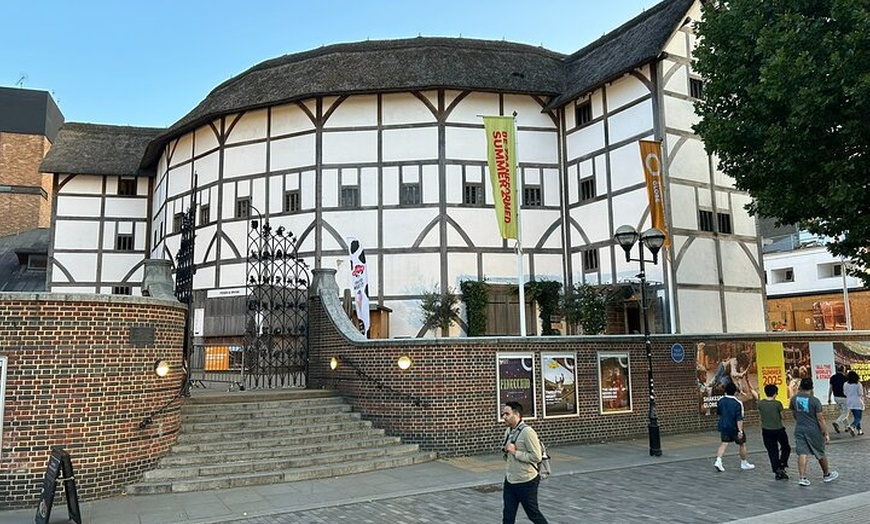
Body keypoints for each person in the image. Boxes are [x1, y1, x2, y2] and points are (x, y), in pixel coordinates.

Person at [501, 401, 549, 524]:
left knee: (533, 514)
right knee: (508, 516)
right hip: (511, 480)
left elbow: (536, 457)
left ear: (516, 414)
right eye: (503, 414)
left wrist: (515, 452)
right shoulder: (508, 431)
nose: (504, 417)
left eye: (507, 414)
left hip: (526, 481)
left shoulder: (528, 432)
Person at [790, 378, 839, 486]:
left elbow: (794, 413)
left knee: (802, 452)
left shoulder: (794, 399)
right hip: (813, 429)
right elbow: (820, 419)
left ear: (800, 387)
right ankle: (826, 474)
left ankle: (802, 477)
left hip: (800, 428)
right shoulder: (815, 401)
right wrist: (826, 433)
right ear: (812, 387)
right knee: (820, 452)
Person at [713, 382, 755, 472]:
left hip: (724, 425)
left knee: (724, 443)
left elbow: (719, 413)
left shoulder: (721, 401)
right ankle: (744, 463)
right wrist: (740, 431)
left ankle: (718, 460)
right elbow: (739, 418)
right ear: (735, 392)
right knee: (742, 443)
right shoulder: (737, 403)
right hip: (734, 427)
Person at [757, 384, 791, 480]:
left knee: (772, 451)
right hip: (778, 429)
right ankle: (782, 464)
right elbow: (783, 417)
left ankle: (777, 470)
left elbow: (760, 416)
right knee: (785, 447)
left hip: (766, 430)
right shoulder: (777, 404)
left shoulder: (760, 403)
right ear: (775, 393)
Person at [828, 366, 850, 433]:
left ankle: (847, 427)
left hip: (836, 397)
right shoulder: (846, 378)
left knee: (843, 412)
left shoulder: (833, 377)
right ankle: (837, 422)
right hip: (844, 397)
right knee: (846, 413)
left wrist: (829, 398)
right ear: (843, 370)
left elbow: (831, 388)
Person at [844, 370, 865, 436]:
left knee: (856, 417)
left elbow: (845, 393)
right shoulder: (858, 384)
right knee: (858, 417)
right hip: (857, 402)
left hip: (849, 402)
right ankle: (852, 426)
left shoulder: (845, 384)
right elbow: (860, 393)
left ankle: (859, 431)